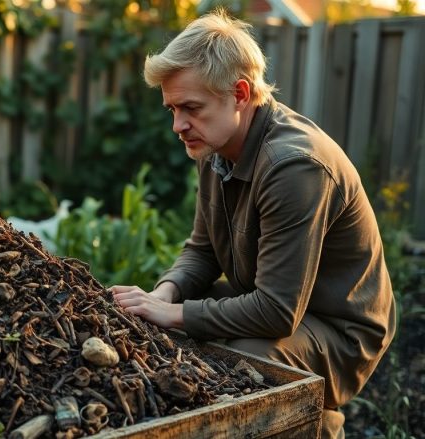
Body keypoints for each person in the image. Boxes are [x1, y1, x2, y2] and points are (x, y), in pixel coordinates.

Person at [111, 10, 396, 439]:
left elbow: (276, 312)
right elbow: (202, 251)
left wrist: (173, 314)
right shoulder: (214, 144)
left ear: (240, 93)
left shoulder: (294, 166)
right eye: (171, 108)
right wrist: (163, 294)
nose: (177, 125)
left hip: (340, 329)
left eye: (190, 108)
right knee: (172, 319)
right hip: (278, 301)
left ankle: (317, 425)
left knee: (249, 360)